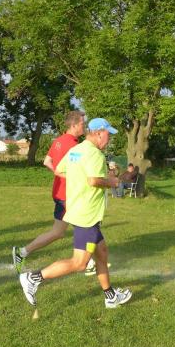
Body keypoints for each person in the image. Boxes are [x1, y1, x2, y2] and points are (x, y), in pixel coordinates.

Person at [18, 118, 132, 309]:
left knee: (101, 253)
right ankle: (33, 278)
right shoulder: (95, 154)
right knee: (79, 263)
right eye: (108, 134)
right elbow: (93, 181)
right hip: (87, 215)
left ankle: (110, 296)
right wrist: (112, 182)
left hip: (79, 210)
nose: (109, 138)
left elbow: (60, 170)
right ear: (98, 133)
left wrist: (79, 180)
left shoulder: (76, 151)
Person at [12, 111, 88, 272]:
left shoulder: (58, 141)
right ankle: (90, 263)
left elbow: (47, 162)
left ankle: (22, 252)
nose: (85, 126)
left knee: (58, 232)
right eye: (83, 123)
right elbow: (76, 170)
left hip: (59, 192)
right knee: (86, 226)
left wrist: (58, 174)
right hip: (68, 194)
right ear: (74, 125)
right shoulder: (74, 145)